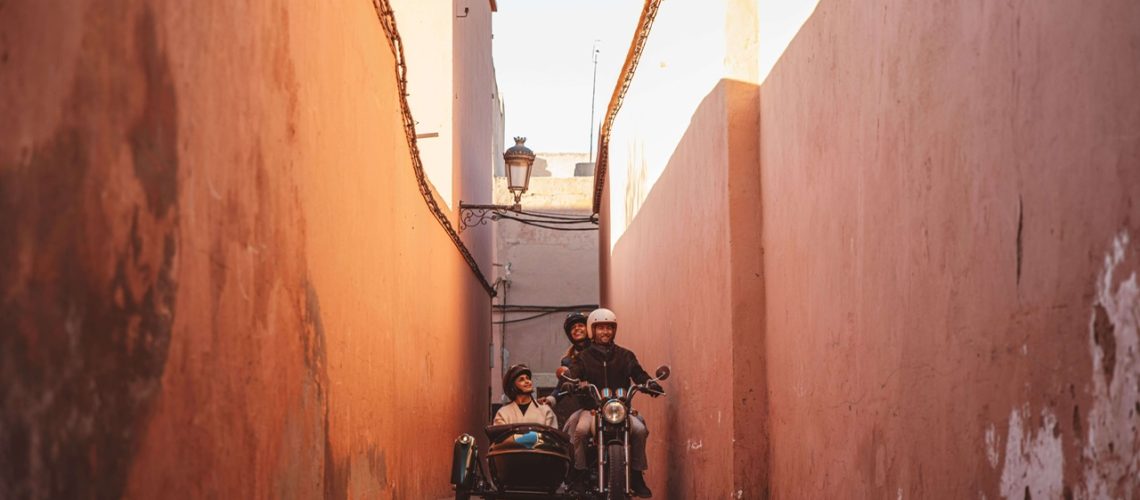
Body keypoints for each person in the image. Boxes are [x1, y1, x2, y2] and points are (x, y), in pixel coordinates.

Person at [565, 308, 661, 497]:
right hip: (593, 409)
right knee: (581, 431)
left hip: (621, 409)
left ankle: (636, 475)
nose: (605, 332)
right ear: (593, 330)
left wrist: (650, 383)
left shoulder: (625, 355)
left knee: (640, 430)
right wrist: (569, 381)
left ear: (614, 330)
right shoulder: (583, 357)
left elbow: (638, 373)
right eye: (600, 328)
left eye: (609, 328)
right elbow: (573, 372)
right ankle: (579, 474)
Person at [493, 363, 558, 427]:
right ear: (513, 386)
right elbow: (500, 436)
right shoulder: (503, 413)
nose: (527, 381)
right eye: (521, 379)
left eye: (528, 378)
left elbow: (552, 435)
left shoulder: (545, 410)